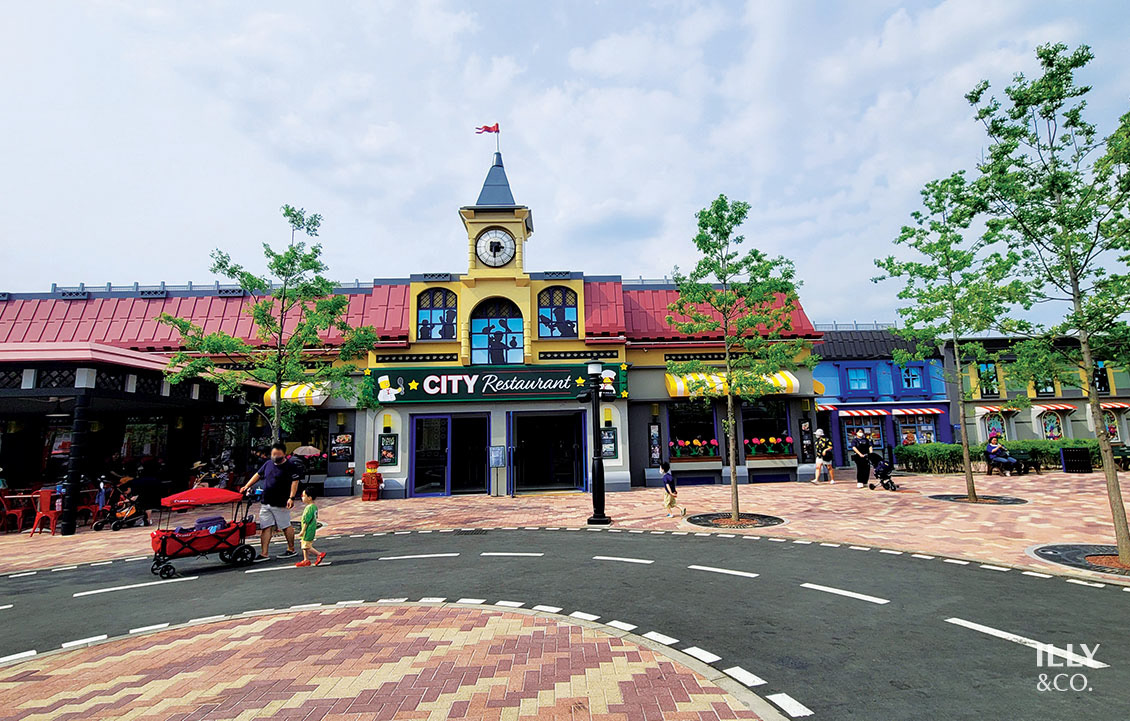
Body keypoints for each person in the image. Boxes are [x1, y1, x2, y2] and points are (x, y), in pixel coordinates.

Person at [239, 442, 300, 560]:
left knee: (285, 525)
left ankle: (291, 549)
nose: (275, 457)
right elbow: (257, 475)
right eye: (273, 454)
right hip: (266, 501)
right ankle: (264, 553)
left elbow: (295, 482)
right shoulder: (268, 464)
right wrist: (246, 486)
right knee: (266, 527)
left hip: (281, 502)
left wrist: (291, 497)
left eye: (278, 454)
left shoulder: (290, 466)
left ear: (284, 454)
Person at [295, 487, 326, 568]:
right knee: (304, 543)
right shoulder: (314, 507)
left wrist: (302, 531)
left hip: (308, 529)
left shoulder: (309, 508)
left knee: (306, 546)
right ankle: (306, 560)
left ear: (309, 497)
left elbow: (306, 521)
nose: (302, 497)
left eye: (303, 496)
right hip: (312, 529)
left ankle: (319, 554)